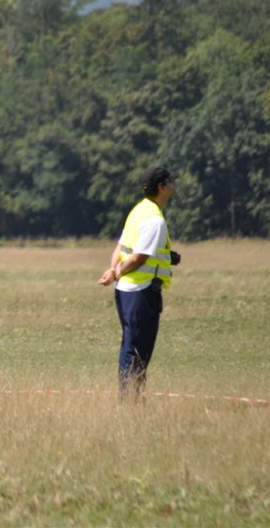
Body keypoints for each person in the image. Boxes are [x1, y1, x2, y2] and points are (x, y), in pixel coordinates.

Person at [98, 167, 178, 398]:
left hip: (125, 291)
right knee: (138, 349)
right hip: (141, 292)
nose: (174, 187)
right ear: (161, 187)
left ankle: (131, 395)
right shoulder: (154, 219)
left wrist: (114, 270)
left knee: (130, 345)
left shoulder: (138, 211)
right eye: (171, 183)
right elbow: (138, 256)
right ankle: (130, 397)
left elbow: (120, 247)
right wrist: (116, 271)